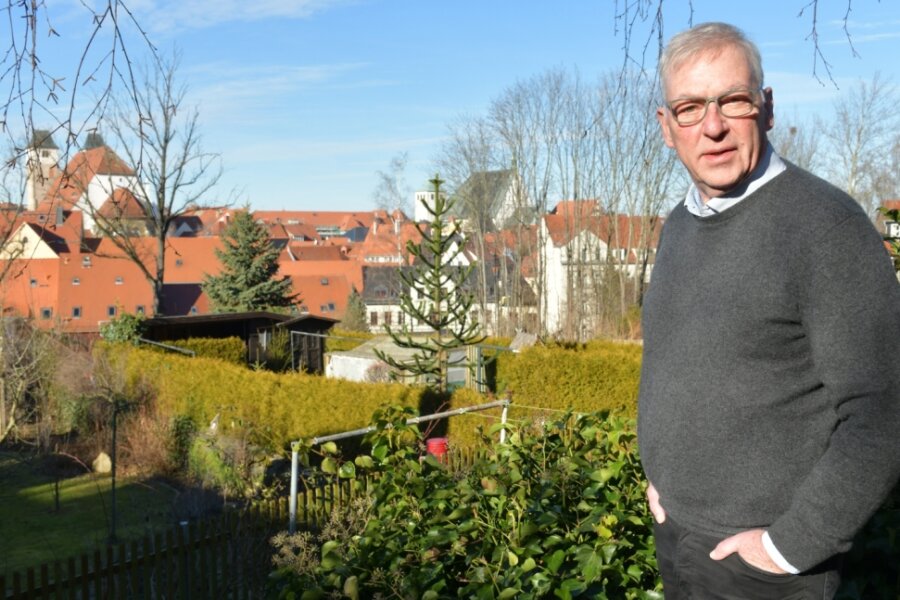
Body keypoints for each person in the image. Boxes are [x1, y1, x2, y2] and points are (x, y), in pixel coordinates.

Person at [637, 22, 900, 599]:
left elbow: (882, 412)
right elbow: (673, 360)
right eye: (689, 108)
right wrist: (661, 479)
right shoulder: (679, 225)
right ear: (666, 128)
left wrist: (790, 548)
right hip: (676, 532)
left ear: (767, 108)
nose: (712, 126)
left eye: (733, 100)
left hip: (764, 568)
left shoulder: (824, 228)